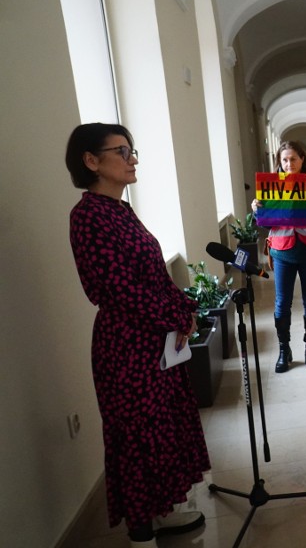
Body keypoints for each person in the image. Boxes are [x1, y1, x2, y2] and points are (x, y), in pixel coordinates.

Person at [66, 123, 210, 548]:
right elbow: (117, 289)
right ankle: (140, 531)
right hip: (125, 345)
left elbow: (154, 275)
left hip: (155, 339)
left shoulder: (121, 209)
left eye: (132, 151)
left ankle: (161, 511)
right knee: (137, 435)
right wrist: (172, 315)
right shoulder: (87, 216)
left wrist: (182, 310)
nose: (132, 159)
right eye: (121, 151)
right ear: (91, 161)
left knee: (163, 427)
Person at [252, 140, 306, 373]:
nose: (288, 163)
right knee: (282, 302)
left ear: (302, 159)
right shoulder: (271, 186)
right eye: (284, 160)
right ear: (279, 162)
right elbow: (263, 222)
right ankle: (284, 349)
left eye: (293, 159)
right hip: (283, 249)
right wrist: (257, 208)